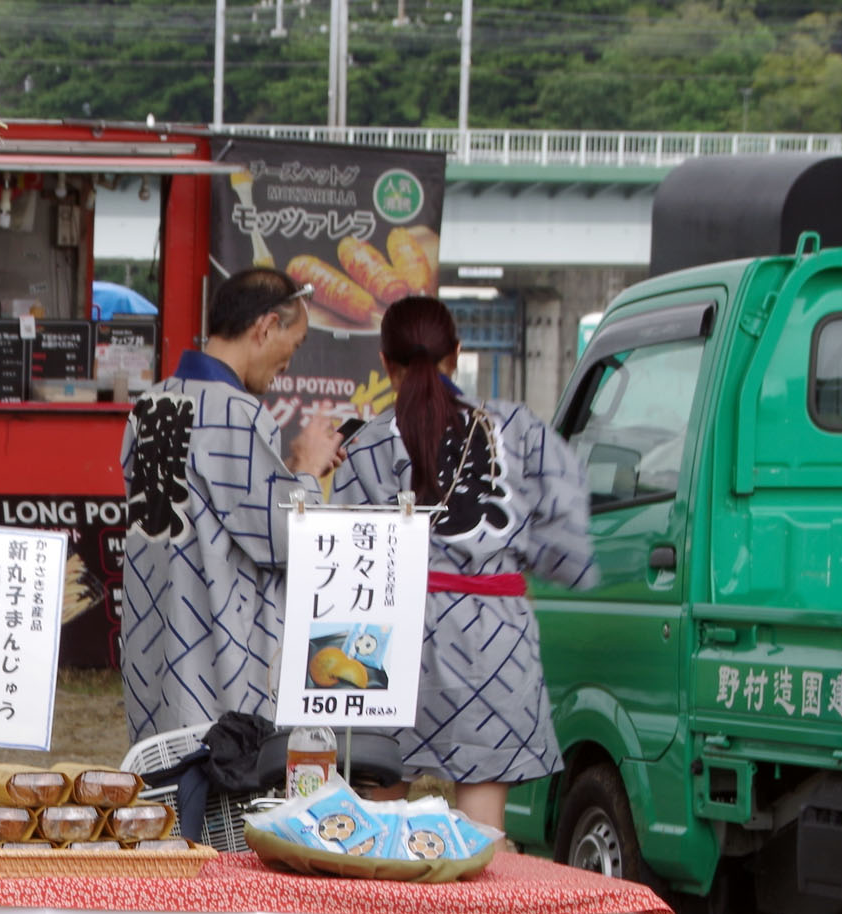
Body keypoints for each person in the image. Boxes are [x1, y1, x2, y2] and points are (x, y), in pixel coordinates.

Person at [334, 295, 598, 828]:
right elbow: (569, 551)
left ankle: (385, 912)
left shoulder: (364, 446)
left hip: (389, 638)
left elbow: (343, 561)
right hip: (493, 638)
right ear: (457, 353)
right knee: (483, 836)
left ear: (385, 363)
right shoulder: (520, 429)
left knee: (373, 825)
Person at [117, 268, 346, 744]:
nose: (288, 362)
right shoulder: (237, 413)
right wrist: (305, 468)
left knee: (165, 804)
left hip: (154, 659)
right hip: (217, 667)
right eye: (295, 343)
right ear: (265, 327)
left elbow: (215, 509)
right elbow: (287, 541)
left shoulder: (153, 404)